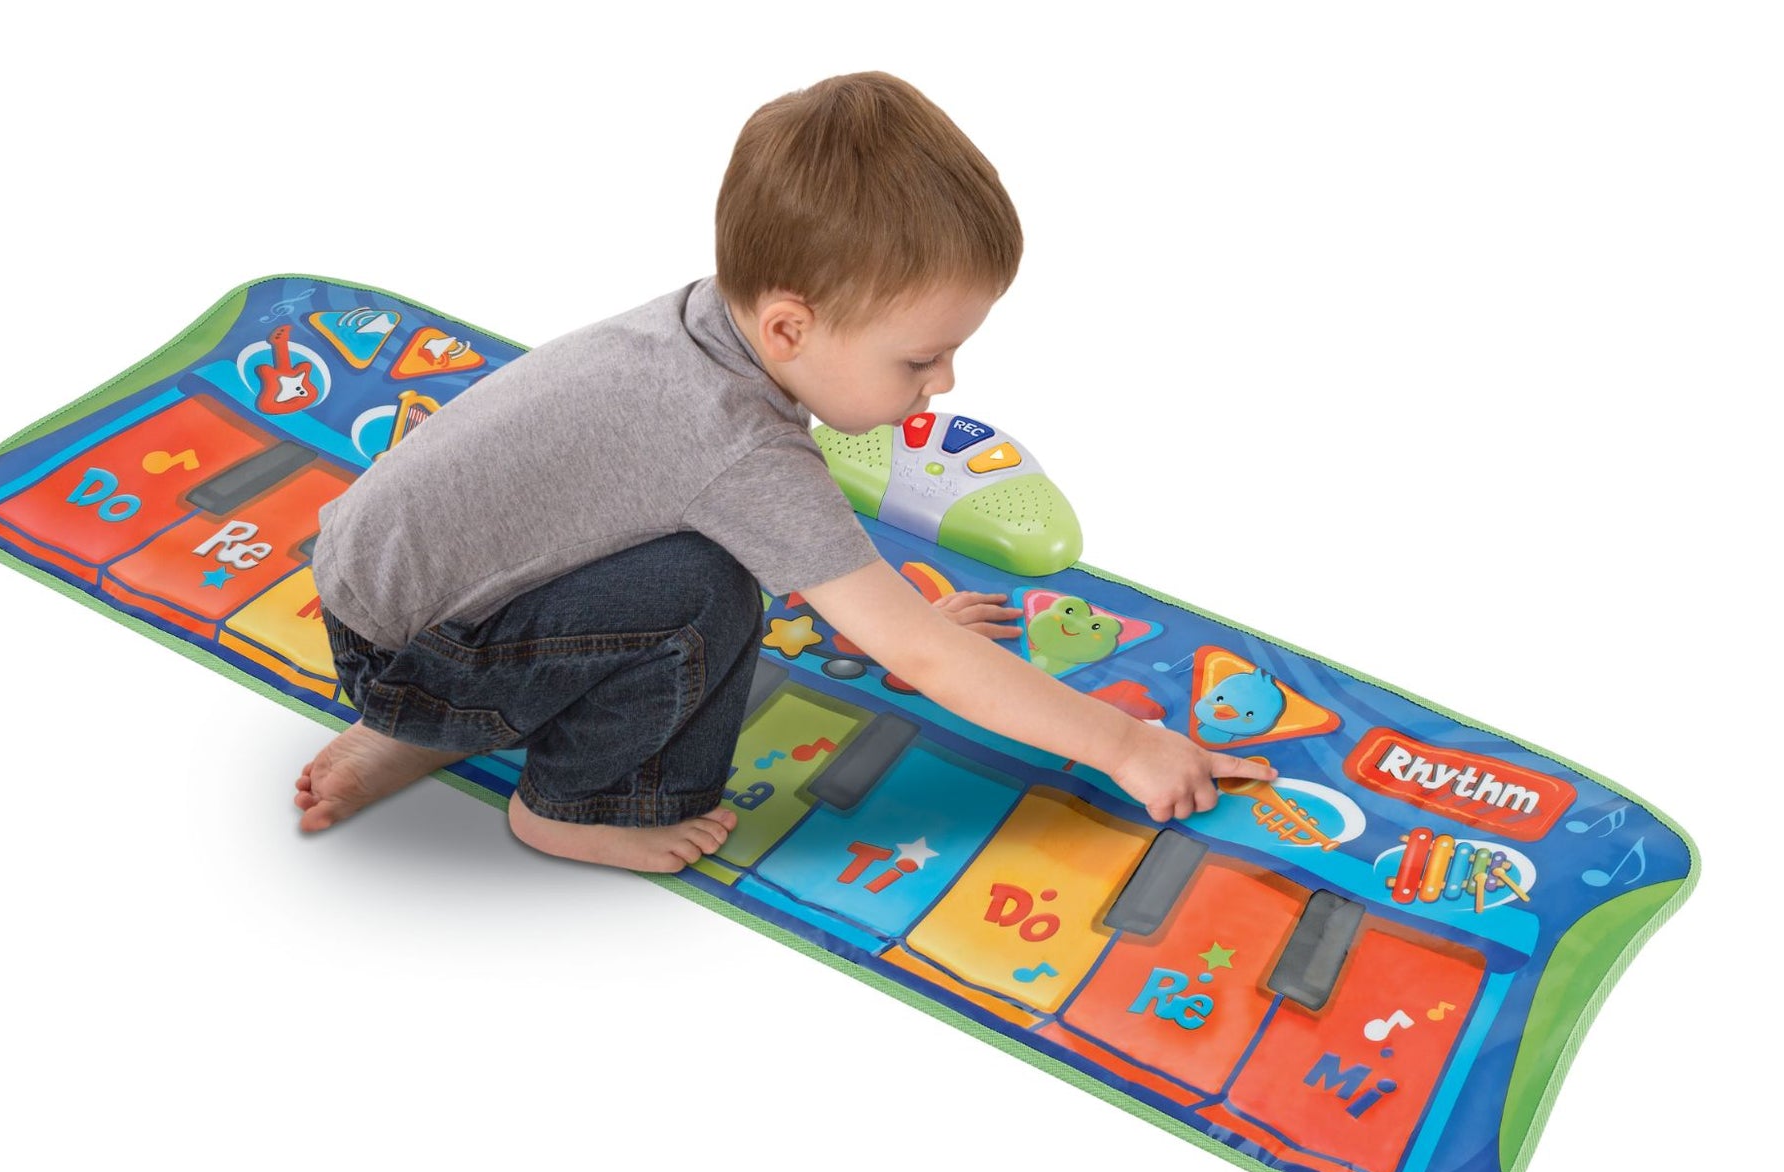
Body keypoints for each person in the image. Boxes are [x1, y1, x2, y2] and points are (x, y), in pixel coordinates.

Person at [296, 70, 1272, 873]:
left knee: (690, 548)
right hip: (417, 652)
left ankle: (422, 725)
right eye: (919, 357)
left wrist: (897, 616)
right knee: (709, 591)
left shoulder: (701, 321)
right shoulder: (738, 443)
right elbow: (923, 659)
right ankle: (577, 803)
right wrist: (1125, 743)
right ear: (789, 327)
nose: (943, 381)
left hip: (386, 603)